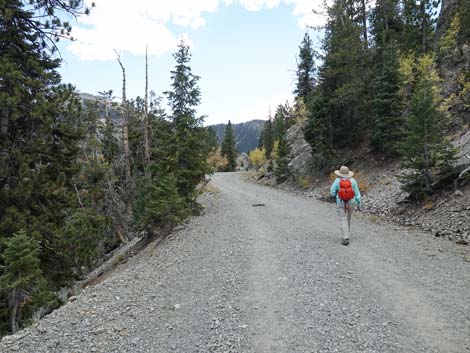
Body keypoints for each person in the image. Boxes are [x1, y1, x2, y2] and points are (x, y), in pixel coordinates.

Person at [329, 166, 361, 246]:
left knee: (343, 219)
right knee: (348, 218)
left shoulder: (337, 181)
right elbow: (357, 193)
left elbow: (332, 192)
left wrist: (337, 193)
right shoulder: (353, 181)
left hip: (341, 202)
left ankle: (345, 237)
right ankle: (347, 235)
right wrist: (358, 202)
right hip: (351, 202)